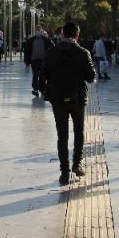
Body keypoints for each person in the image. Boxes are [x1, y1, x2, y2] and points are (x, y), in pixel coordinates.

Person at [43, 21, 97, 185]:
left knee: (62, 135)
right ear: (77, 35)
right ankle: (77, 164)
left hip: (57, 98)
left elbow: (44, 74)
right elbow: (91, 77)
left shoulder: (52, 52)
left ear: (62, 34)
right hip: (78, 98)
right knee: (79, 131)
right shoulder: (83, 52)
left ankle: (64, 172)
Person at [24, 28, 54, 97]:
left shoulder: (46, 40)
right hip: (34, 60)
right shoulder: (31, 40)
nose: (38, 33)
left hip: (44, 60)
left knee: (42, 75)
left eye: (39, 31)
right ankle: (36, 89)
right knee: (35, 75)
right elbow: (27, 50)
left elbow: (53, 48)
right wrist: (26, 60)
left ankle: (42, 89)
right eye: (37, 31)